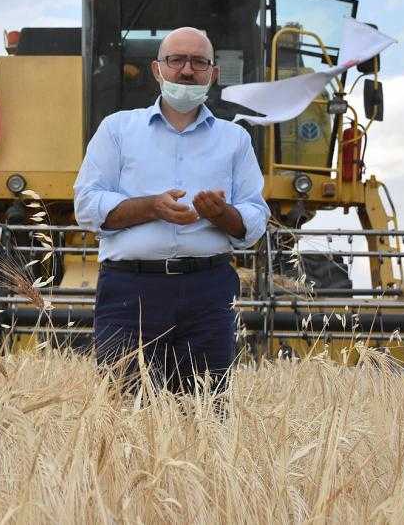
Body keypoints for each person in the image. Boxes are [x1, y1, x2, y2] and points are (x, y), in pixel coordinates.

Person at [73, 27, 269, 396]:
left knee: (204, 417)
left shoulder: (235, 139)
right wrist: (151, 207)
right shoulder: (117, 130)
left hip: (207, 291)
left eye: (199, 62)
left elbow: (255, 218)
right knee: (123, 416)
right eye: (175, 60)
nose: (186, 70)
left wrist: (221, 214)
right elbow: (86, 205)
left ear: (213, 73)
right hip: (131, 291)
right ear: (156, 69)